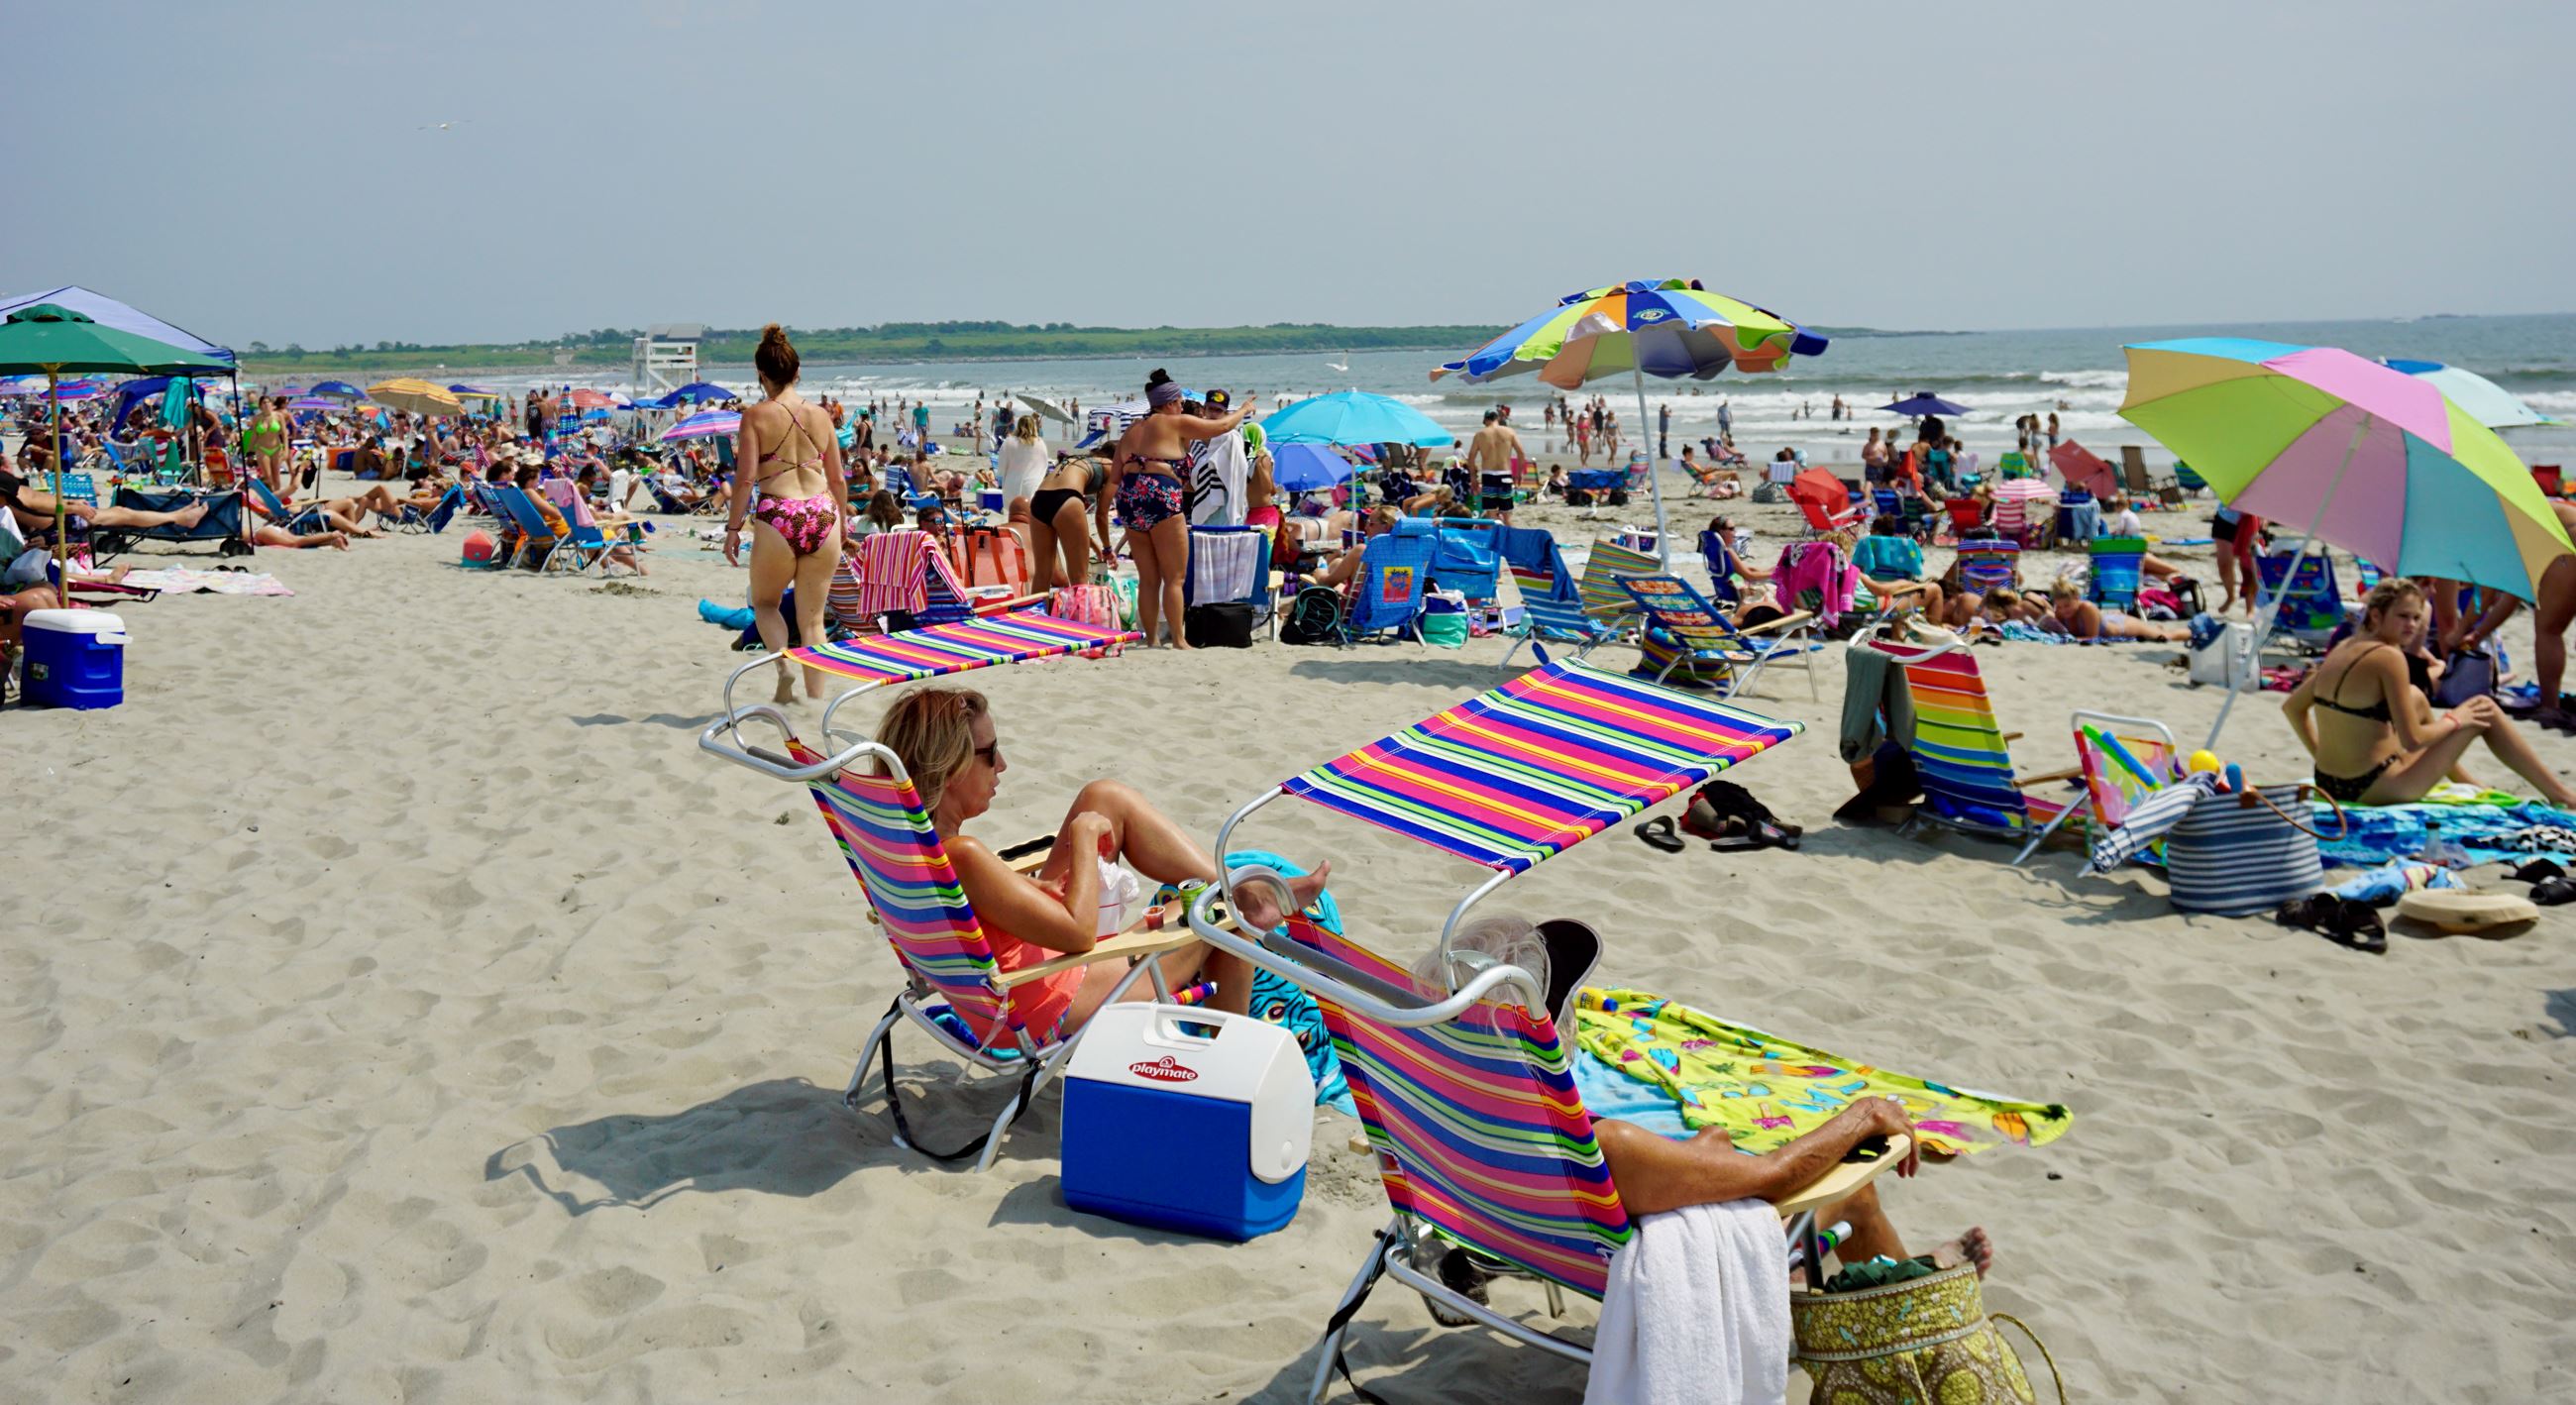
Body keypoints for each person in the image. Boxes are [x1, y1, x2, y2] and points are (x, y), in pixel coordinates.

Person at [1418, 916, 1991, 1283]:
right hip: (1639, 1272)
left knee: (1714, 1153)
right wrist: (1866, 1113)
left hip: (1501, 1236)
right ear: (1551, 1025)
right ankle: (1909, 1295)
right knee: (1853, 1191)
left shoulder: (1432, 1100)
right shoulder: (1603, 1146)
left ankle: (1885, 1275)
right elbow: (1773, 1173)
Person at [870, 687, 1329, 1041]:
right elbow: (1078, 934)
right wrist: (1083, 841)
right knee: (1219, 915)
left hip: (1018, 974)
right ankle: (1221, 1069)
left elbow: (979, 909)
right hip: (1051, 998)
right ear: (951, 767)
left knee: (1103, 797)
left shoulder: (906, 849)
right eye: (990, 754)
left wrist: (1026, 891)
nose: (1003, 765)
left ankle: (1247, 892)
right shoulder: (963, 855)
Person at [2289, 580, 2576, 806]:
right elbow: (2414, 741)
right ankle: (2562, 795)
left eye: (2416, 617)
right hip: (2375, 786)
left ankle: (2468, 786)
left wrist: (2321, 755)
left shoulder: (2342, 649)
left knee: (2415, 697)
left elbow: (2292, 708)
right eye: (2403, 617)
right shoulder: (2388, 656)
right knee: (2483, 709)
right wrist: (2456, 719)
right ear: (2376, 615)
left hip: (2329, 782)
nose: (2412, 626)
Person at [725, 324, 849, 705]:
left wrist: (733, 528)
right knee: (813, 622)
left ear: (761, 375)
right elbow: (838, 479)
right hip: (822, 512)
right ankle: (815, 702)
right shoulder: (822, 416)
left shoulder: (755, 416)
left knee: (765, 604)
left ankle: (784, 667)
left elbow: (745, 479)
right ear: (798, 372)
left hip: (779, 512)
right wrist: (841, 522)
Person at [1108, 370, 1251, 649]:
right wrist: (1244, 409)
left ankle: (1151, 640)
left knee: (1148, 578)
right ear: (1171, 401)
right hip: (1160, 496)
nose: (1182, 404)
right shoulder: (1175, 422)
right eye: (1180, 399)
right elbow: (1222, 427)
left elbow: (1114, 477)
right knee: (1175, 577)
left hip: (1129, 498)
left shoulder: (1132, 430)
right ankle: (1178, 639)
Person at [2448, 501, 2576, 726]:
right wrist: (2477, 634)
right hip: (2565, 533)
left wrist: (2459, 631)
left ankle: (2550, 707)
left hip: (2567, 539)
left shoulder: (2495, 530)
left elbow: (2486, 594)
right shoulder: (2511, 513)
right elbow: (2512, 594)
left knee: (2549, 630)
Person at [1028, 455, 1113, 594]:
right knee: (1079, 578)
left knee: (1042, 575)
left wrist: (1096, 547)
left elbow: (1073, 531)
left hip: (1039, 499)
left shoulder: (1078, 460)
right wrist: (1107, 549)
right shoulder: (1111, 465)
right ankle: (1079, 616)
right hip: (1068, 498)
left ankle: (1035, 614)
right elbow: (1101, 515)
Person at [1186, 388, 1252, 528]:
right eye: (1211, 409)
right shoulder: (1194, 439)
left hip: (1226, 501)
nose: (1214, 414)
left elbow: (1238, 472)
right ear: (1204, 410)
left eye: (1219, 411)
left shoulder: (1230, 438)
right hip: (1201, 499)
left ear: (1226, 414)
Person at [2041, 580, 2188, 642]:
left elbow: (2092, 637)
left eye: (2067, 605)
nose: (2063, 610)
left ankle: (2196, 633)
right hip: (2110, 618)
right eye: (2060, 606)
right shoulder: (2059, 612)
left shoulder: (2087, 608)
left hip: (2123, 626)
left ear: (2077, 598)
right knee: (2155, 632)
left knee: (2165, 637)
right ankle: (2154, 628)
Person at [1464, 408, 1527, 522]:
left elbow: (1471, 457)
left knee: (1491, 514)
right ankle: (1508, 537)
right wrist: (1519, 473)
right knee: (1507, 514)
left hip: (1488, 476)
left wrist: (1473, 478)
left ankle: (1495, 537)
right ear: (1497, 418)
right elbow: (1521, 453)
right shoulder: (1509, 432)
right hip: (1505, 475)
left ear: (1485, 420)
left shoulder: (1480, 434)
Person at [997, 413, 1051, 523]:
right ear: (1033, 426)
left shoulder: (1009, 442)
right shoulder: (1040, 443)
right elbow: (1045, 466)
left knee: (1012, 516)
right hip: (1033, 484)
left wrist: (1001, 480)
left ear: (1018, 425)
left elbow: (1001, 466)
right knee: (1030, 517)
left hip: (1011, 484)